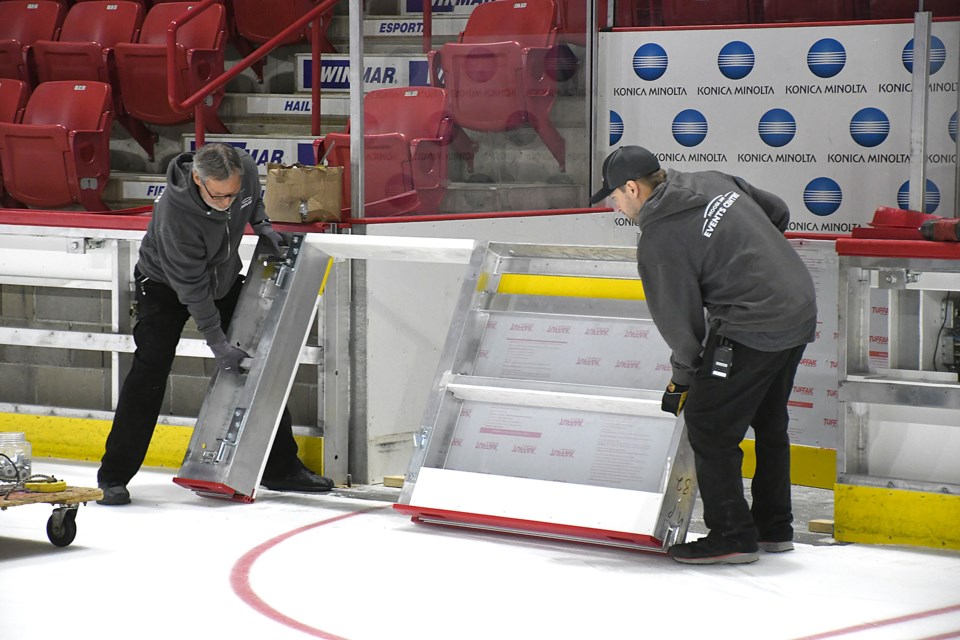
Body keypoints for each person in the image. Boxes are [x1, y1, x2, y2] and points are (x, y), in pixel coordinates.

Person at [591, 146, 817, 565]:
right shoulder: (711, 180)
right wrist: (749, 263)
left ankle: (732, 535)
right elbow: (779, 211)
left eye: (616, 197)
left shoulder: (659, 236)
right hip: (797, 303)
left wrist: (684, 378)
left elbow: (681, 327)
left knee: (709, 423)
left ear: (632, 188)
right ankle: (774, 527)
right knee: (769, 421)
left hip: (754, 321)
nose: (616, 207)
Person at [97, 142, 334, 505]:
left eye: (231, 195)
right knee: (149, 373)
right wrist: (217, 343)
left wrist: (263, 224)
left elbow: (251, 199)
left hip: (221, 278)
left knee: (258, 361)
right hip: (164, 286)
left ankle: (280, 467)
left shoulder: (244, 174)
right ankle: (114, 475)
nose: (226, 202)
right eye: (218, 196)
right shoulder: (175, 213)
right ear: (197, 179)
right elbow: (191, 288)